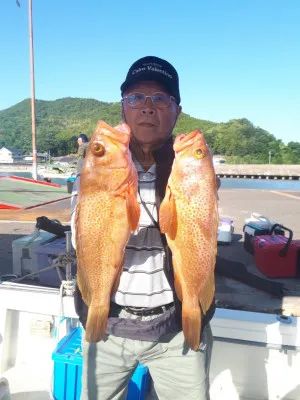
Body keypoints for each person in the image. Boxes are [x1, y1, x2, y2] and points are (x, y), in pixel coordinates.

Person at [71, 56, 220, 400]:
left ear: (177, 110)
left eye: (160, 98)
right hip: (108, 324)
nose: (148, 107)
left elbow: (201, 232)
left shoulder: (189, 168)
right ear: (124, 109)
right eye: (136, 98)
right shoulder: (99, 169)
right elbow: (87, 235)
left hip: (176, 329)